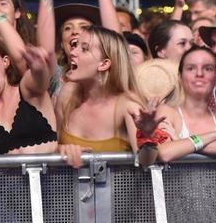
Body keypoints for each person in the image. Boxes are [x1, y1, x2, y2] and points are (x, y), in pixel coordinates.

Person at [56, 26, 159, 168]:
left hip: (119, 190)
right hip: (68, 189)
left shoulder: (128, 105)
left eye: (85, 49)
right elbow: (51, 146)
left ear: (104, 64)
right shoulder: (67, 94)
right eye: (75, 45)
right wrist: (59, 149)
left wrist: (147, 137)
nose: (73, 52)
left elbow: (145, 162)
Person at [155, 46, 216, 161]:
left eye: (208, 68)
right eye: (191, 68)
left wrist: (181, 142)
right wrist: (215, 135)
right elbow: (165, 152)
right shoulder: (166, 111)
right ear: (179, 77)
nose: (199, 73)